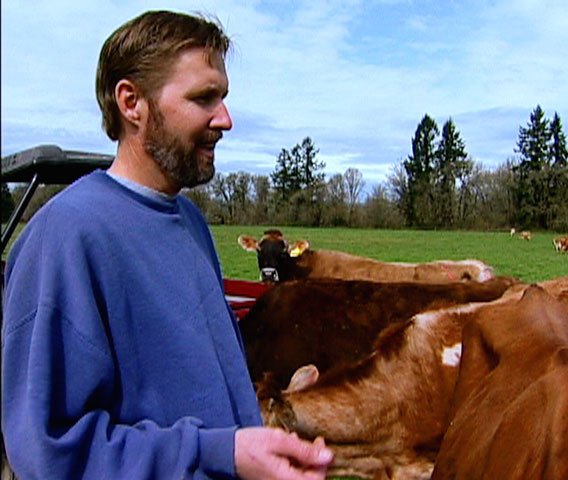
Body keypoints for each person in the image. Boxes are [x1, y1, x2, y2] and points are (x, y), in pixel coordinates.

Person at [1, 10, 333, 480]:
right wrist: (220, 454)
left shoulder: (191, 222)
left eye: (224, 97)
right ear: (131, 102)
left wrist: (257, 440)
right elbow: (51, 451)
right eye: (204, 98)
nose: (226, 119)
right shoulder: (65, 237)